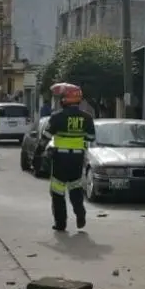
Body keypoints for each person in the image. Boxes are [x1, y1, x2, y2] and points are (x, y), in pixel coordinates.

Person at [40, 82, 95, 231]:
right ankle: (80, 213)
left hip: (60, 159)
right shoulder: (87, 118)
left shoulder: (57, 117)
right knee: (75, 188)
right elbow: (90, 138)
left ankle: (61, 223)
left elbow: (45, 138)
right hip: (77, 159)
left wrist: (40, 154)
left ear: (65, 99)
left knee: (57, 192)